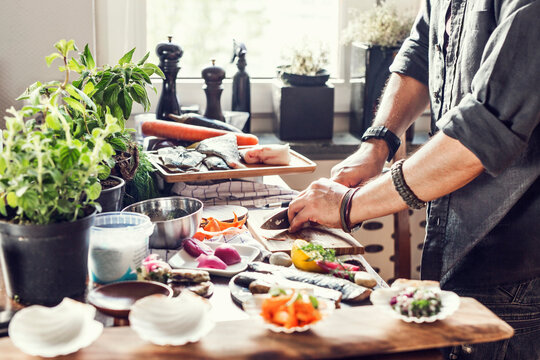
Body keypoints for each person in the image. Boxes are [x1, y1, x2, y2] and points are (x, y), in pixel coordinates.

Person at [287, 1, 540, 359]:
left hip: (521, 270)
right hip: (462, 246)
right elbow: (423, 48)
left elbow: (485, 127)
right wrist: (377, 144)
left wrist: (348, 205)